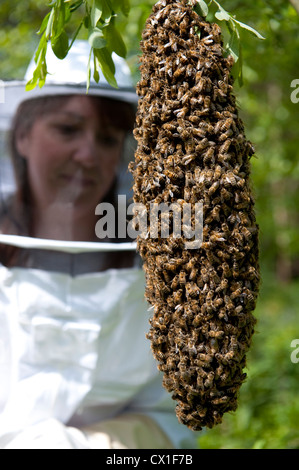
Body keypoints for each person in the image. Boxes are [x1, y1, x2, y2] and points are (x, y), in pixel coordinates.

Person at [0, 40, 198, 449]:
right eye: (67, 129)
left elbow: (174, 418)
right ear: (22, 136)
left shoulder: (158, 266)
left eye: (108, 139)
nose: (88, 155)